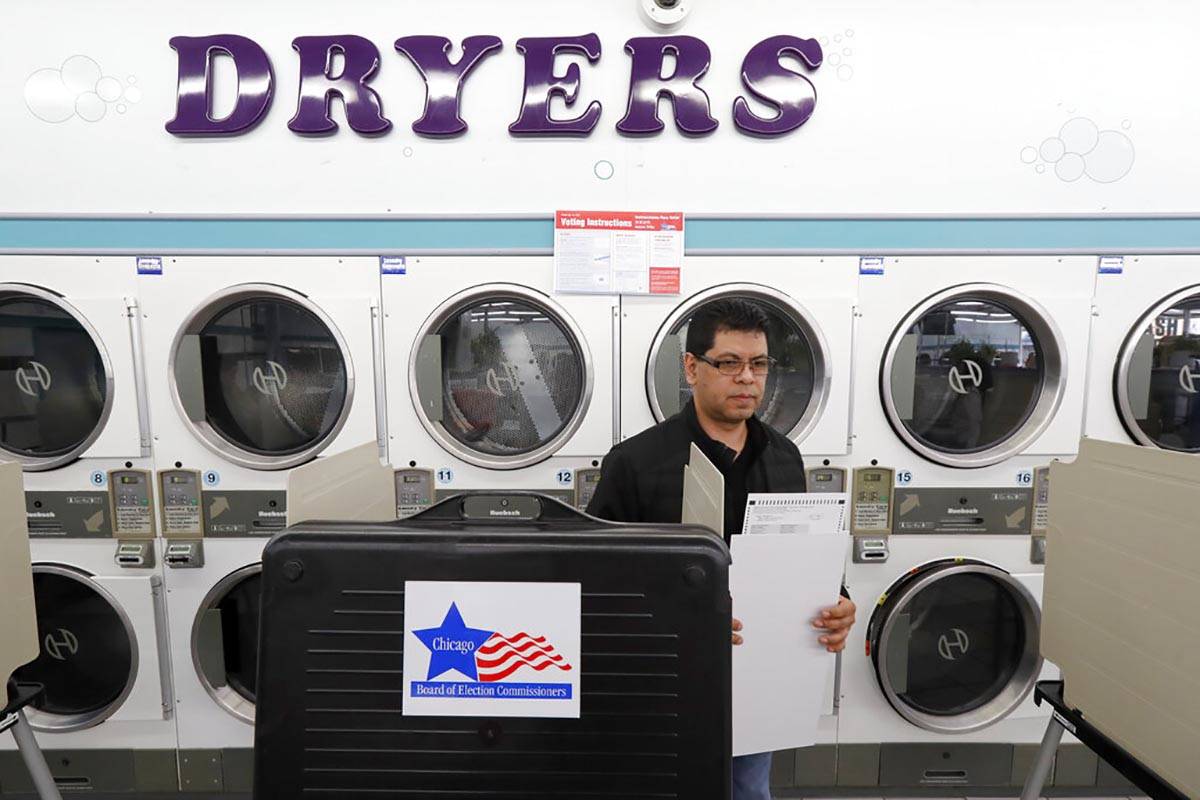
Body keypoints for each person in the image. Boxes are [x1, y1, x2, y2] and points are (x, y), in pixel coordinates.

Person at [585, 298, 856, 800]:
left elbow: (800, 553)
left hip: (759, 674)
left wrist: (836, 600)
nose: (748, 379)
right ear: (692, 367)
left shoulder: (784, 458)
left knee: (749, 790)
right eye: (729, 363)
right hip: (663, 681)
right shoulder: (636, 463)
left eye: (759, 365)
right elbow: (601, 583)